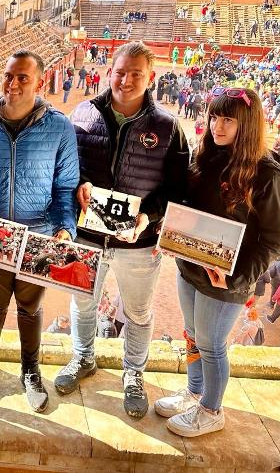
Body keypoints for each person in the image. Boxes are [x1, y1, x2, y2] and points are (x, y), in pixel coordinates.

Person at [57, 41, 190, 420]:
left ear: (150, 78)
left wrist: (148, 215)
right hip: (88, 235)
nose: (126, 80)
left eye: (136, 74)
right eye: (120, 71)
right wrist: (79, 183)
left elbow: (176, 189)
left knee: (138, 312)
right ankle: (83, 358)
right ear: (108, 72)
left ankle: (133, 374)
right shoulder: (82, 112)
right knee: (82, 302)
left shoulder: (167, 128)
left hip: (139, 242)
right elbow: (66, 166)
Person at [154, 87, 280, 437]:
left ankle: (212, 410)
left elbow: (275, 240)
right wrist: (170, 235)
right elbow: (187, 208)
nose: (218, 125)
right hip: (190, 268)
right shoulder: (207, 156)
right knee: (193, 335)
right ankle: (195, 392)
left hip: (226, 281)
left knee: (213, 345)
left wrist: (238, 278)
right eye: (215, 116)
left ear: (246, 124)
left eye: (228, 119)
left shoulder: (268, 174)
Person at [0, 50, 79, 412]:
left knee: (30, 308)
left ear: (40, 82)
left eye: (22, 77)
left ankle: (31, 371)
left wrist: (64, 228)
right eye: (8, 75)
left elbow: (65, 186)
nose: (13, 84)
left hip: (39, 235)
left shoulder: (60, 127)